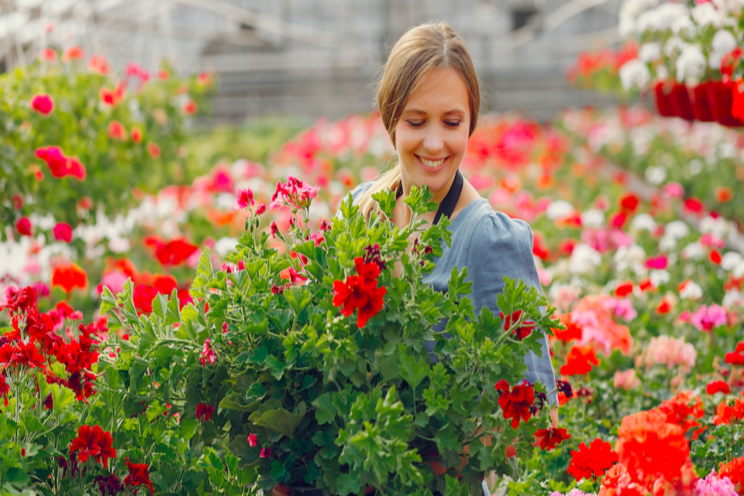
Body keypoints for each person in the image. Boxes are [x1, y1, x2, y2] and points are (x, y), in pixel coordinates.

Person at [344, 21, 556, 496]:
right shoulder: (363, 211)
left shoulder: (486, 239)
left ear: (471, 122)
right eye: (416, 122)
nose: (435, 143)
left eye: (452, 122)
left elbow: (538, 410)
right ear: (389, 120)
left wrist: (450, 452)